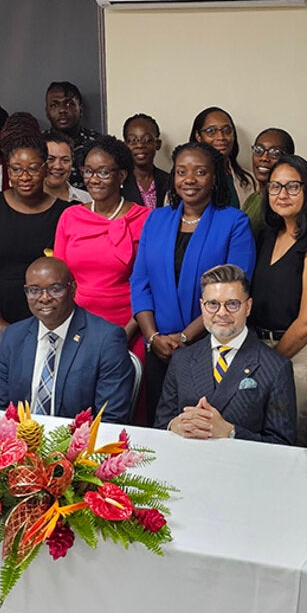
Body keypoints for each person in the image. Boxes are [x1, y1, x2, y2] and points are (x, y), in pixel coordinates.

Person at [131, 142, 256, 424]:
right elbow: (140, 282)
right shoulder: (156, 219)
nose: (189, 179)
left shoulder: (234, 222)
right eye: (181, 172)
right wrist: (153, 338)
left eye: (200, 172)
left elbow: (235, 289)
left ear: (214, 179)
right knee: (161, 425)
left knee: (203, 426)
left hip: (210, 346)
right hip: (159, 348)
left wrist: (185, 338)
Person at [253, 153, 307, 443]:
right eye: (275, 186)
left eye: (292, 186)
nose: (282, 194)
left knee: (294, 442)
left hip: (303, 357)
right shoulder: (269, 235)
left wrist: (270, 363)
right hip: (264, 350)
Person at [157, 263, 295, 445]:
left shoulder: (276, 367)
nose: (222, 313)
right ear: (202, 306)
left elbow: (283, 443)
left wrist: (230, 432)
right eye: (213, 304)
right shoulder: (181, 359)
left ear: (248, 307)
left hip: (242, 462)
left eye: (232, 304)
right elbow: (161, 424)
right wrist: (174, 425)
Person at [0, 257, 134, 423]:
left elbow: (111, 419)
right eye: (34, 290)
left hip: (79, 438)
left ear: (73, 289)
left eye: (55, 289)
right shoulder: (14, 336)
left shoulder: (106, 340)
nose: (44, 298)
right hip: (19, 436)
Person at [53, 136, 149, 359]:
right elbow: (60, 278)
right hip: (78, 326)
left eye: (103, 172)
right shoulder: (70, 216)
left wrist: (125, 333)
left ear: (121, 175)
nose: (94, 179)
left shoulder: (145, 219)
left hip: (130, 325)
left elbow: (151, 284)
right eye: (88, 171)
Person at [0, 136, 68, 326]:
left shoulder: (66, 212)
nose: (24, 177)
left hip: (51, 316)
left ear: (45, 169)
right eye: (16, 169)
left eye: (33, 169)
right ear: (8, 171)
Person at [191, 107, 253, 208]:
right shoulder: (185, 180)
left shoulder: (249, 180)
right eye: (211, 131)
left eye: (227, 130)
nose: (221, 137)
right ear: (198, 136)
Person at [44, 80, 101, 190]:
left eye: (69, 104)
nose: (62, 110)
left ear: (81, 110)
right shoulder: (38, 144)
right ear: (47, 113)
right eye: (54, 105)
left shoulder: (97, 143)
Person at [240, 128, 294, 235]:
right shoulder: (253, 198)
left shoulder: (283, 204)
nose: (264, 158)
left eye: (275, 153)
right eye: (258, 150)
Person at [121, 113, 170, 209]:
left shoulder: (168, 181)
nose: (140, 145)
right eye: (133, 140)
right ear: (125, 145)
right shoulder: (119, 182)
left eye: (147, 139)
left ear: (158, 144)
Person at [44, 132, 91, 204]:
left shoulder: (87, 200)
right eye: (51, 159)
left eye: (65, 160)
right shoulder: (27, 201)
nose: (58, 166)